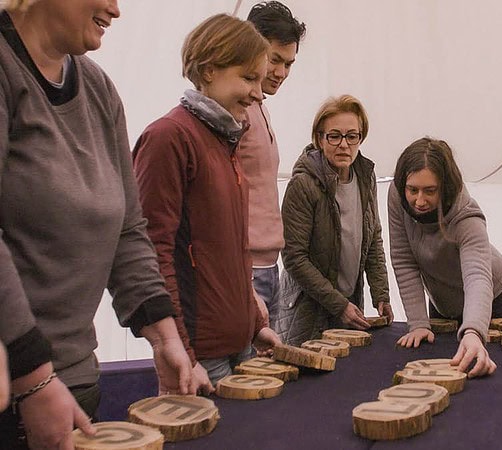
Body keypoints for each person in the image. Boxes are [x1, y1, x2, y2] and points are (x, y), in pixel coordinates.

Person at [0, 0, 193, 448]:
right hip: (17, 390)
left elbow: (127, 228)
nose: (115, 9)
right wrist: (34, 378)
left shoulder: (97, 87)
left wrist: (164, 335)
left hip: (71, 382)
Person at [133, 13, 280, 388]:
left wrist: (254, 323)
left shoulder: (225, 139)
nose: (258, 93)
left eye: (260, 80)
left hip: (239, 344)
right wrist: (181, 350)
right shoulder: (170, 138)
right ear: (210, 69)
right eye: (249, 78)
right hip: (200, 356)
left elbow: (228, 251)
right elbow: (154, 253)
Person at [389, 137, 502, 378]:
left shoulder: (467, 217)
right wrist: (418, 324)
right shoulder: (396, 194)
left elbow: (477, 277)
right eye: (412, 190)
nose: (420, 201)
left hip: (490, 297)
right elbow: (404, 260)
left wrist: (474, 332)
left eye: (430, 191)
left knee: (480, 372)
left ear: (444, 187)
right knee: (440, 369)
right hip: (441, 299)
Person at [276, 94, 391, 346]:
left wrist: (381, 293)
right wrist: (339, 305)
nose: (344, 144)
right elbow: (294, 257)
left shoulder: (365, 178)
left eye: (352, 136)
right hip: (307, 311)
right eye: (334, 136)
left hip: (349, 306)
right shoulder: (303, 184)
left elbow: (373, 240)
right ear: (319, 138)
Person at [240, 1, 306, 326]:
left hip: (268, 265)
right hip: (243, 269)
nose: (280, 73)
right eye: (274, 60)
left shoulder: (259, 107)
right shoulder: (232, 111)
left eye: (289, 64)